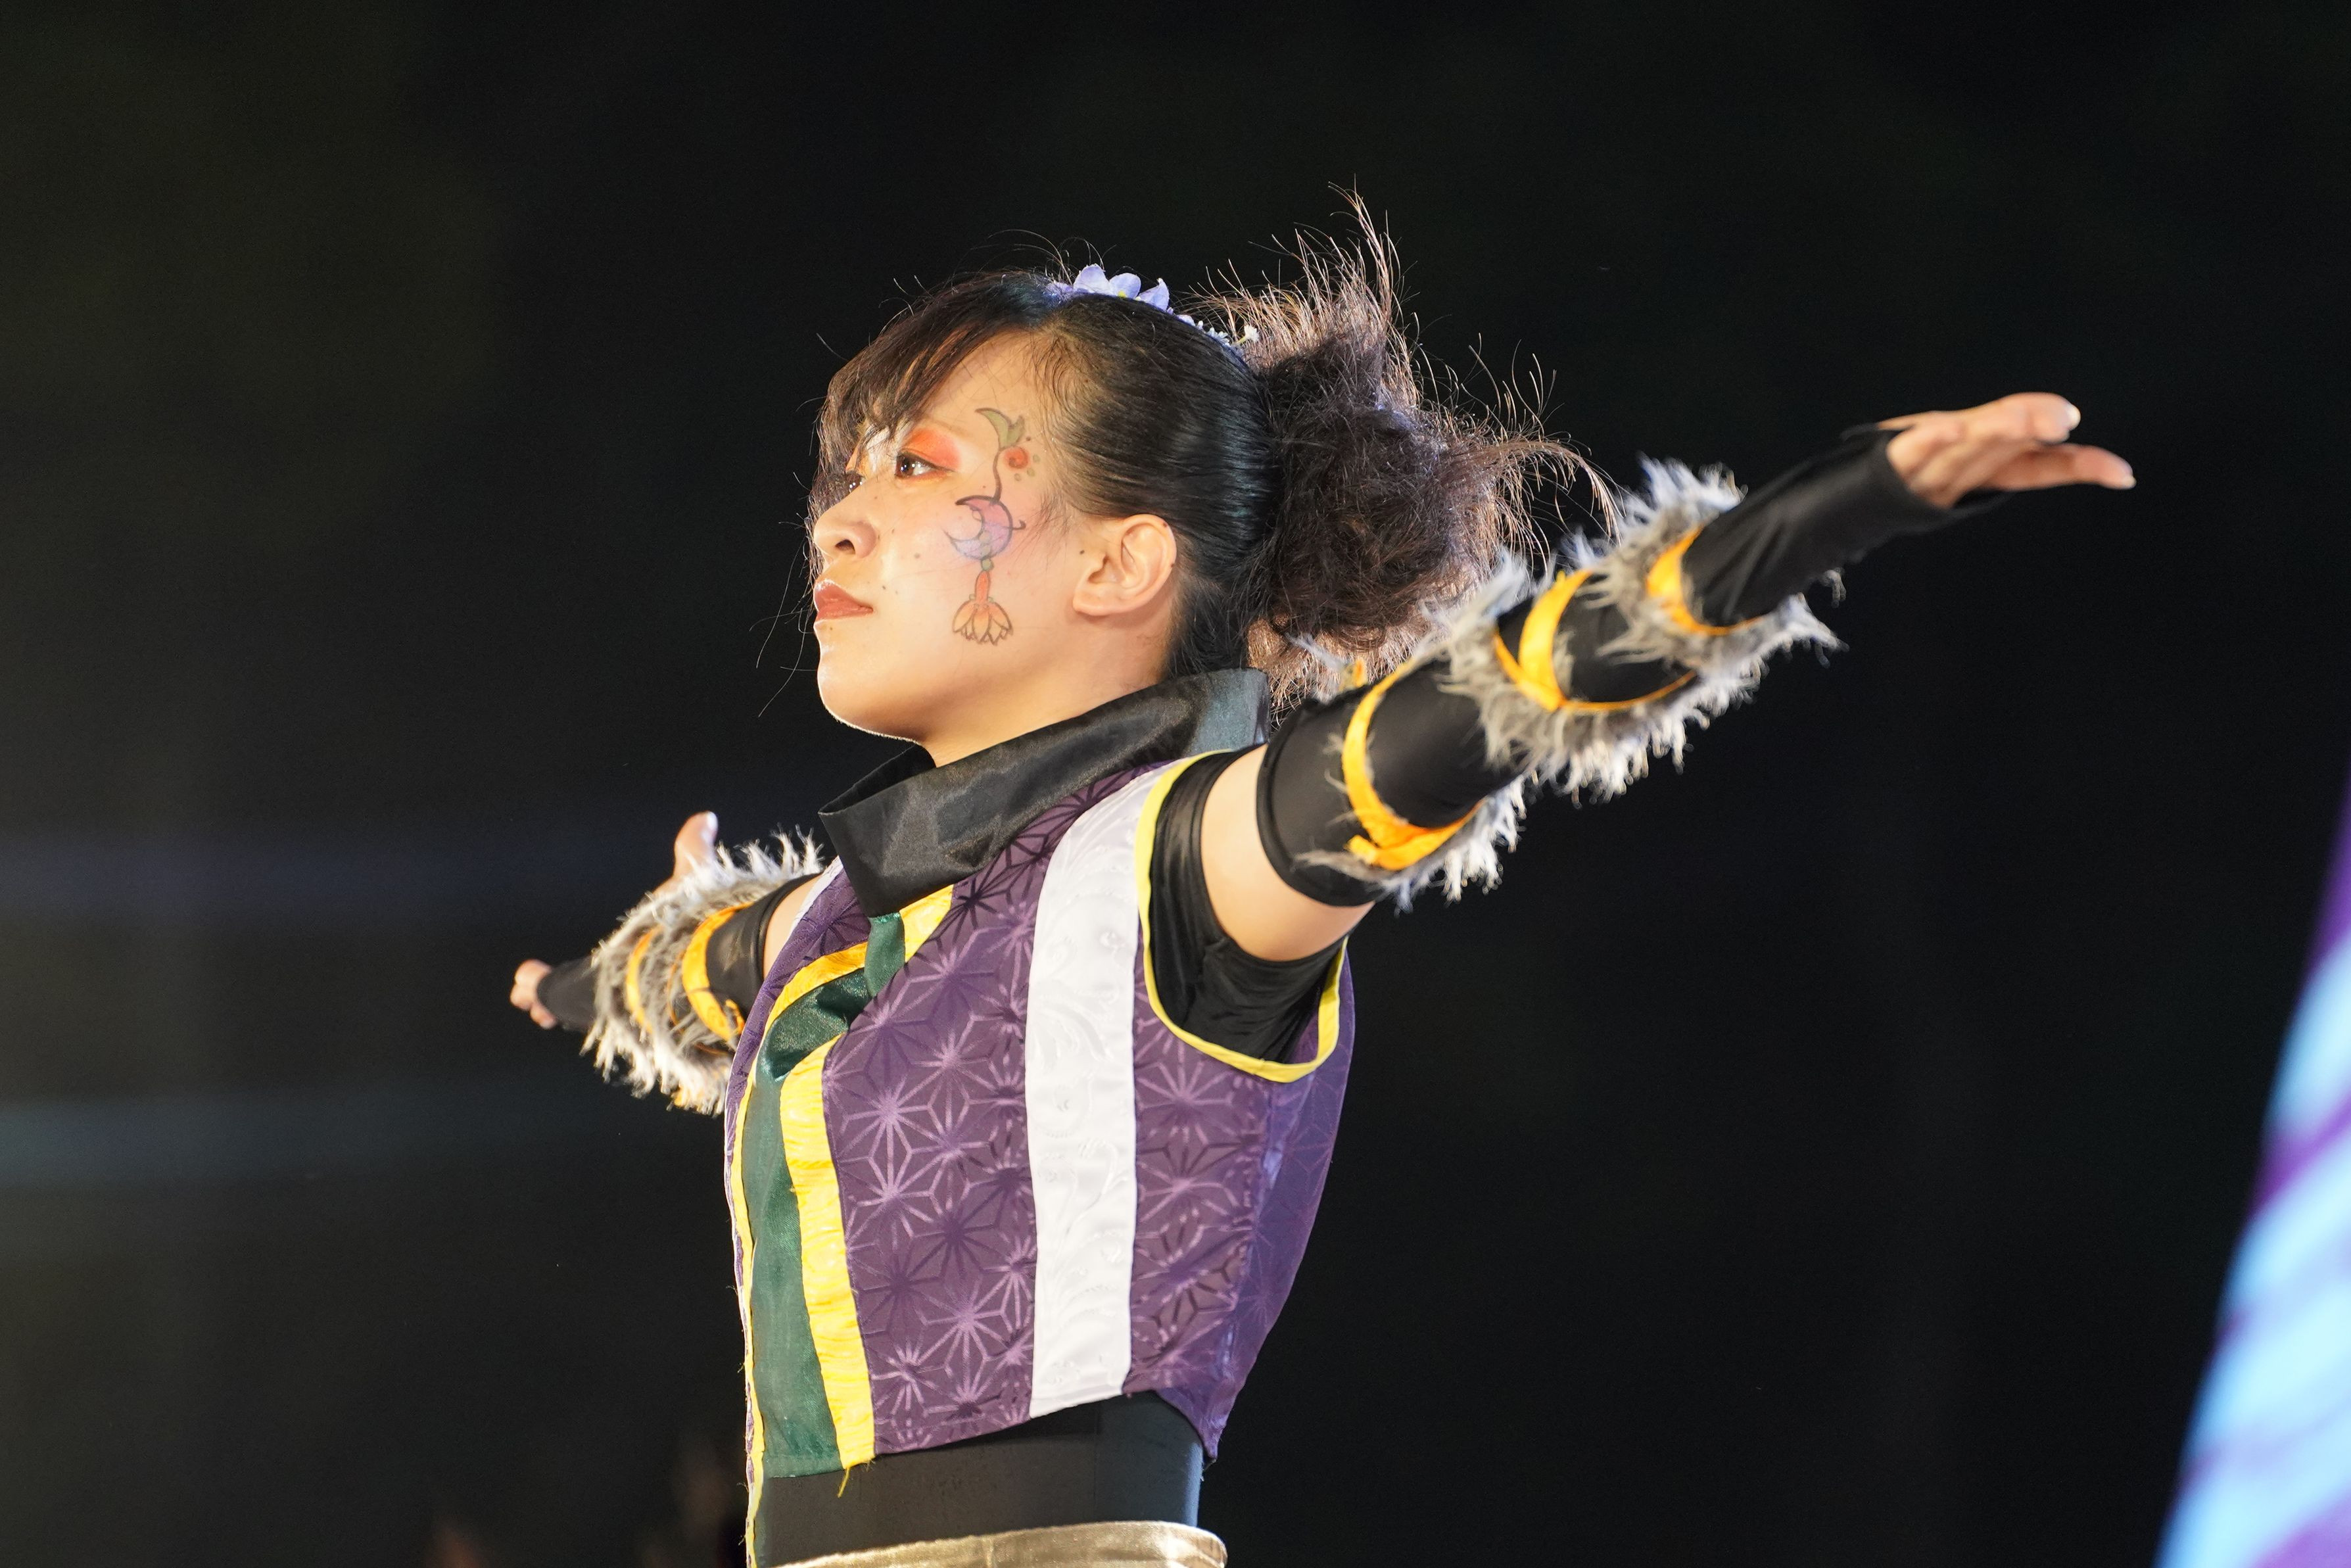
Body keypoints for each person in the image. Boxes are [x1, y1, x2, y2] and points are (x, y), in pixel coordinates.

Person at [509, 226, 2131, 1568]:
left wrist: (1831, 508)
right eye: (843, 473)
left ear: (1120, 563)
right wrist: (586, 984)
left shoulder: (1188, 859)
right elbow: (679, 972)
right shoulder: (826, 927)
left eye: (917, 468)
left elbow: (1506, 695)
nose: (838, 515)